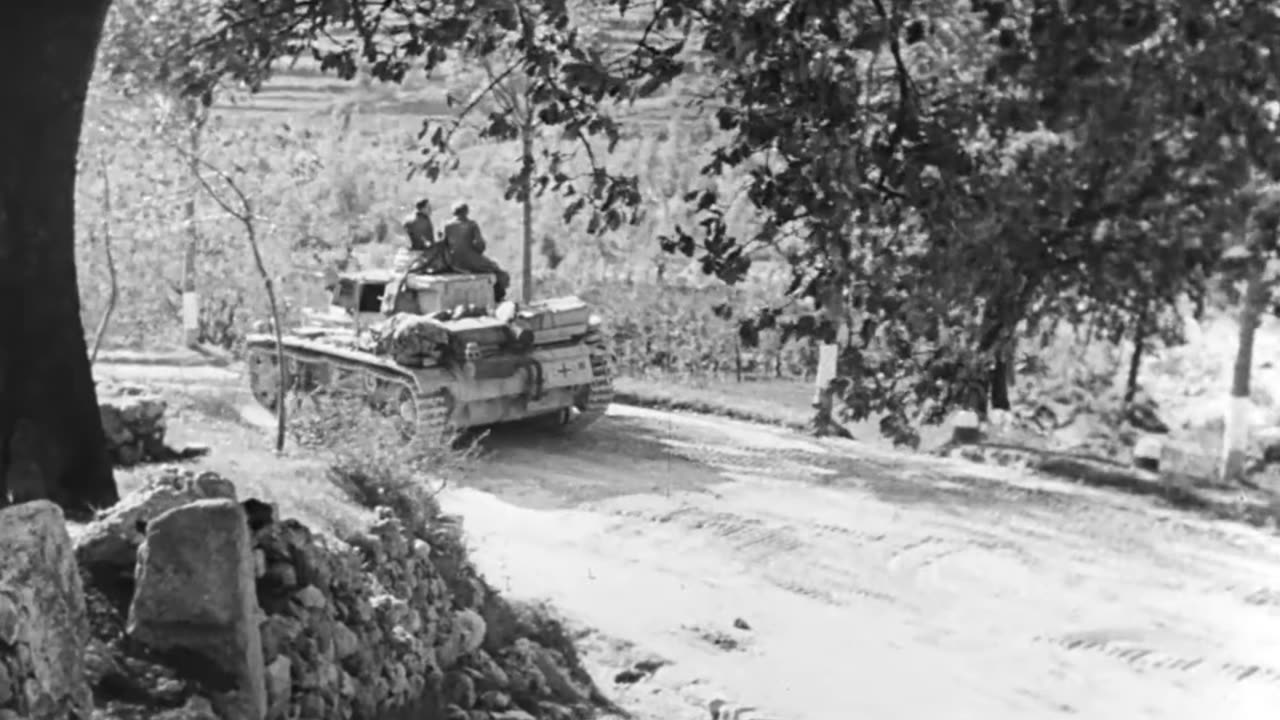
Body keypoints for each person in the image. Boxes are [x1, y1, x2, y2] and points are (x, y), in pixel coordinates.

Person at [442, 202, 510, 303]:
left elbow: (444, 244)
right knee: (495, 269)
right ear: (466, 212)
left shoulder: (447, 226)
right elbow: (480, 244)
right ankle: (498, 297)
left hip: (453, 261)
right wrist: (476, 251)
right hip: (470, 260)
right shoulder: (472, 225)